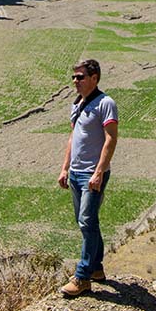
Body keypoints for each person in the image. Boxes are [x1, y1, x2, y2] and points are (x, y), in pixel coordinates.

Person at [57, 58, 118, 297]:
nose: (75, 81)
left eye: (80, 77)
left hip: (93, 174)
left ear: (95, 78)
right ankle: (97, 269)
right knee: (87, 222)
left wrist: (99, 172)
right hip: (76, 173)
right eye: (74, 77)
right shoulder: (77, 104)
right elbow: (73, 138)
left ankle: (82, 276)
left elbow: (111, 139)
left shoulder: (106, 103)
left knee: (86, 221)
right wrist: (65, 168)